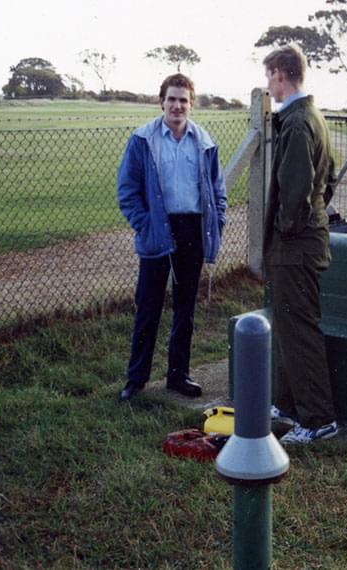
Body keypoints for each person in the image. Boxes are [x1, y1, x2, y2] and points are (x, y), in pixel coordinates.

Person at [117, 73, 227, 402]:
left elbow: (217, 190)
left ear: (191, 104)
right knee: (148, 306)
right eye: (172, 99)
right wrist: (145, 225)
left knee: (185, 308)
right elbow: (127, 191)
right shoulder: (142, 139)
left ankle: (178, 376)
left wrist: (216, 222)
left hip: (192, 229)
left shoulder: (204, 141)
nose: (177, 105)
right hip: (157, 231)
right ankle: (136, 379)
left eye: (184, 100)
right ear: (161, 101)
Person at [262, 44, 339, 445]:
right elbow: (326, 182)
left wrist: (283, 231)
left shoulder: (295, 122)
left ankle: (318, 418)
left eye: (268, 76)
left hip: (295, 245)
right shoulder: (312, 116)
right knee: (290, 326)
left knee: (299, 328)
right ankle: (290, 405)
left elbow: (295, 193)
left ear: (279, 73)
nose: (268, 85)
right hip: (306, 240)